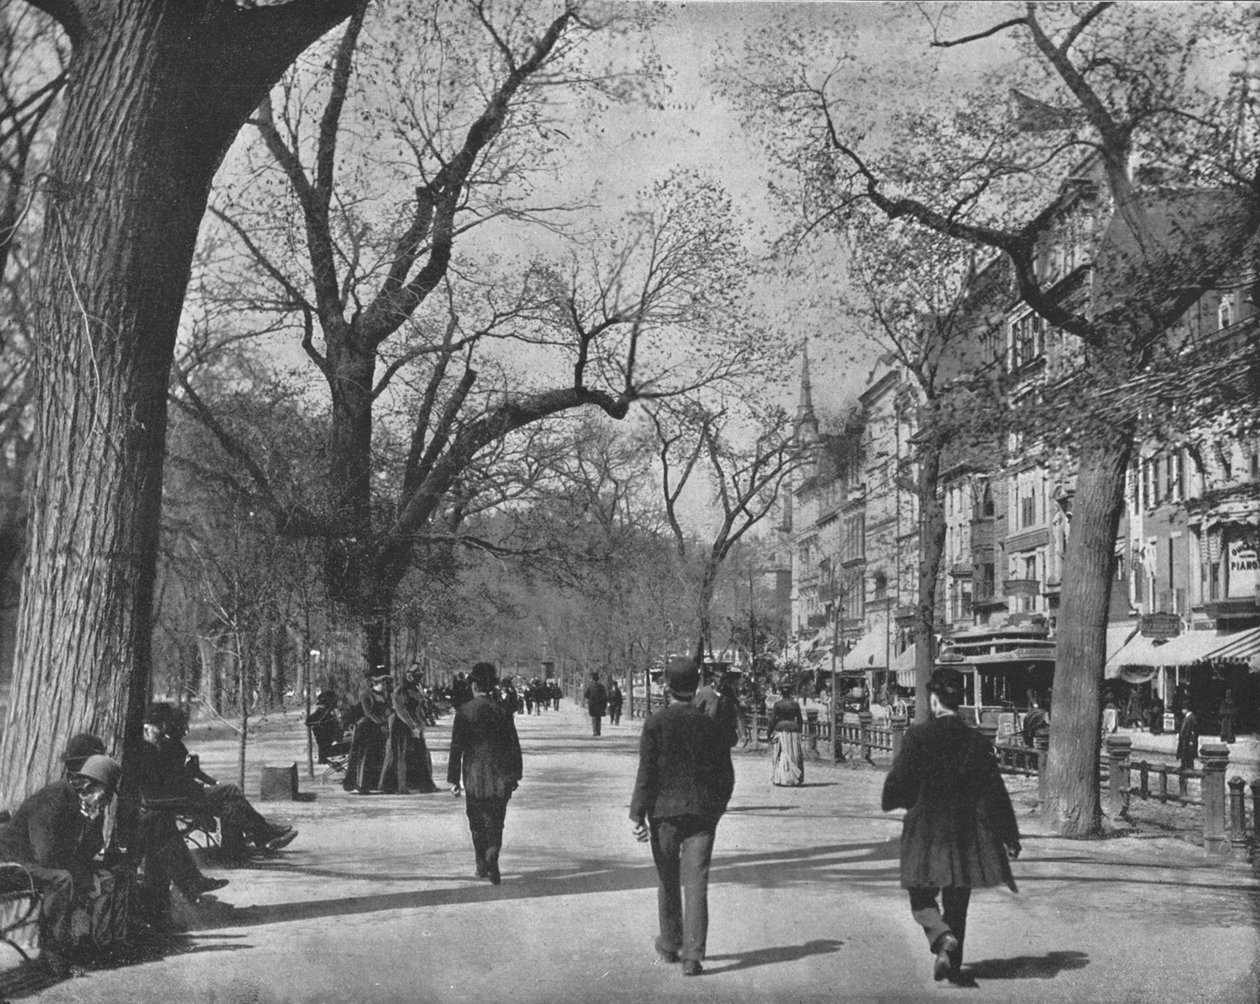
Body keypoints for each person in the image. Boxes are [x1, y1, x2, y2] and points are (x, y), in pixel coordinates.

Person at [881, 667, 1021, 985]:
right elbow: (993, 790)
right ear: (958, 702)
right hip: (966, 833)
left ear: (933, 701)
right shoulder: (976, 740)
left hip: (927, 830)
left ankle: (940, 935)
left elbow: (900, 782)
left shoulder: (918, 736)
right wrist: (1009, 834)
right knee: (958, 900)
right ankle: (953, 964)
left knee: (920, 890)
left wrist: (894, 799)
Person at [630, 655, 734, 978]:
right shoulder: (710, 725)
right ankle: (692, 955)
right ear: (695, 686)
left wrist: (637, 815)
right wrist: (715, 811)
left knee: (667, 879)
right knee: (697, 882)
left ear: (667, 686)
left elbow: (646, 774)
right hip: (702, 815)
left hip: (664, 815)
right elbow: (726, 777)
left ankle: (670, 943)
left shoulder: (655, 723)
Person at [0, 755, 123, 976]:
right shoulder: (53, 799)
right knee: (63, 878)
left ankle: (84, 946)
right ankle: (54, 953)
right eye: (105, 795)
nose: (106, 803)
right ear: (87, 786)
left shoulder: (82, 804)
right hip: (9, 864)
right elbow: (45, 855)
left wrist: (92, 822)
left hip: (31, 863)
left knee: (94, 875)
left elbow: (90, 850)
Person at [136, 703, 296, 856]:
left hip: (181, 795)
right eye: (163, 725)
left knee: (231, 804)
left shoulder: (166, 744)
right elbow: (169, 779)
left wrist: (197, 776)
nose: (165, 730)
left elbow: (180, 776)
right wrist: (192, 776)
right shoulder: (153, 747)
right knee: (231, 790)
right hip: (176, 799)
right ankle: (264, 835)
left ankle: (237, 850)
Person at [447, 662, 523, 885]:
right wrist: (516, 773)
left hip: (474, 774)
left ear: (474, 686)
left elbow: (456, 748)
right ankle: (493, 854)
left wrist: (453, 779)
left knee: (476, 819)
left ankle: (481, 861)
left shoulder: (465, 711)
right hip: (500, 773)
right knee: (497, 819)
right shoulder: (503, 710)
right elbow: (513, 744)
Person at [380, 667, 440, 794]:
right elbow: (401, 710)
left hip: (414, 724)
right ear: (408, 676)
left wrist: (420, 724)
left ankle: (424, 784)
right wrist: (412, 726)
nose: (417, 678)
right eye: (415, 676)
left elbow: (418, 708)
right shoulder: (400, 691)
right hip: (401, 725)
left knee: (421, 753)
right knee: (401, 754)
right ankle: (399, 785)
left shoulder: (416, 689)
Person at [344, 673, 392, 794]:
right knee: (364, 756)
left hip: (377, 729)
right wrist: (381, 723)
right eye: (382, 684)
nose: (384, 686)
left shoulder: (382, 696)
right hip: (365, 728)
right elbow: (368, 712)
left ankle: (372, 784)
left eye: (385, 684)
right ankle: (361, 785)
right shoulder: (366, 695)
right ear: (375, 684)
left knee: (375, 757)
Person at [695, 665, 741, 749]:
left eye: (723, 677)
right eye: (718, 677)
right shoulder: (705, 692)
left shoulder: (729, 693)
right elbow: (695, 713)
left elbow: (736, 713)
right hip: (707, 736)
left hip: (723, 736)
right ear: (713, 677)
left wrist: (741, 733)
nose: (720, 680)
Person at [767, 685, 805, 787]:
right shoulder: (795, 704)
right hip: (793, 731)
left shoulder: (778, 704)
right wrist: (800, 732)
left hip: (781, 731)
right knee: (794, 754)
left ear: (781, 693)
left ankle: (782, 778)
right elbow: (800, 720)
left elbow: (772, 720)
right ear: (791, 693)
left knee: (781, 753)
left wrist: (769, 733)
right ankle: (794, 778)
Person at [306, 690, 347, 764]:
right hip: (326, 740)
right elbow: (308, 722)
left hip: (331, 739)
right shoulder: (322, 713)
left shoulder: (331, 712)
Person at [583, 671, 608, 737]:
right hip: (599, 704)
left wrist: (590, 697)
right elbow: (604, 696)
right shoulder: (601, 686)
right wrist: (603, 704)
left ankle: (595, 731)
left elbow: (585, 694)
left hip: (592, 704)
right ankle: (598, 730)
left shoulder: (590, 686)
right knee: (598, 718)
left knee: (593, 718)